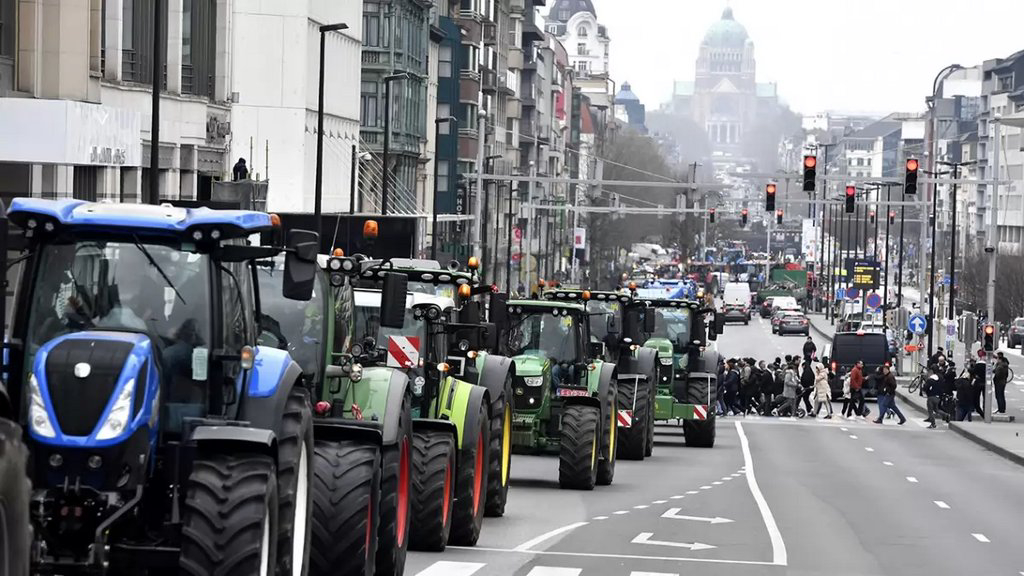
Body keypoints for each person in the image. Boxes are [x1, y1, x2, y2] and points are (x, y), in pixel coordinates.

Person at [923, 364, 946, 429]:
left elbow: (926, 387)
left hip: (931, 396)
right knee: (936, 409)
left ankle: (933, 424)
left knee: (930, 411)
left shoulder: (932, 378)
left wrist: (925, 390)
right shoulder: (941, 377)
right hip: (938, 396)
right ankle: (946, 415)